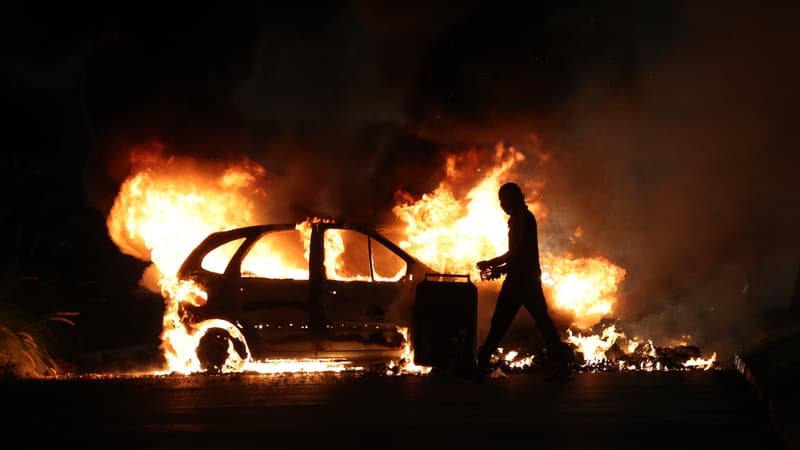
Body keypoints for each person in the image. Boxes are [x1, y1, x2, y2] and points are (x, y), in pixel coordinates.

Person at [474, 182, 572, 381]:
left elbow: (517, 253)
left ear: (515, 199)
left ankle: (482, 362)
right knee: (542, 322)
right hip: (527, 279)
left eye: (504, 200)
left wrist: (494, 265)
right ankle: (562, 364)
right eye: (500, 201)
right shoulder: (522, 218)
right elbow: (517, 254)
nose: (502, 205)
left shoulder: (522, 219)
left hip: (520, 281)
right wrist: (499, 267)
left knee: (500, 322)